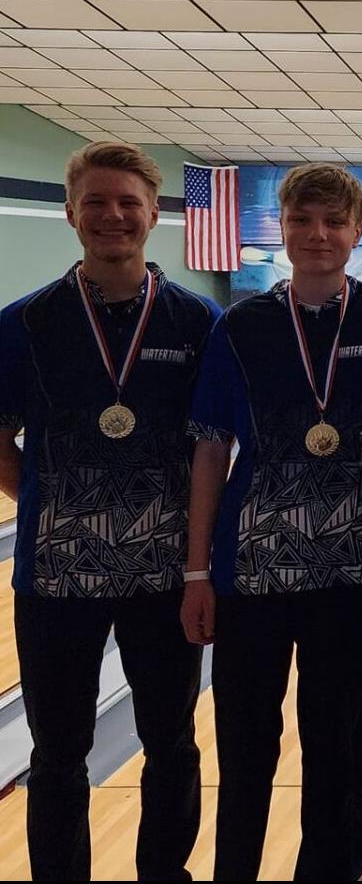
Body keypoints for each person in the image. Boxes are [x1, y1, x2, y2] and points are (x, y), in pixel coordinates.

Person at [181, 163, 362, 881]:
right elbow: (208, 448)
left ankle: (328, 868)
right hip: (250, 574)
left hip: (356, 575)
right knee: (245, 744)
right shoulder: (241, 326)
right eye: (301, 221)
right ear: (282, 229)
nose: (317, 235)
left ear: (358, 231)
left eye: (333, 222)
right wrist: (198, 571)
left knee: (337, 747)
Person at [0, 142, 218, 881]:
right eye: (96, 201)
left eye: (129, 202)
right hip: (56, 581)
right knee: (57, 753)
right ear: (70, 213)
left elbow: (213, 446)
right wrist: (46, 500)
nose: (113, 215)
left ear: (155, 215)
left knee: (172, 740)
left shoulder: (195, 322)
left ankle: (166, 872)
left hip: (165, 574)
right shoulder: (24, 324)